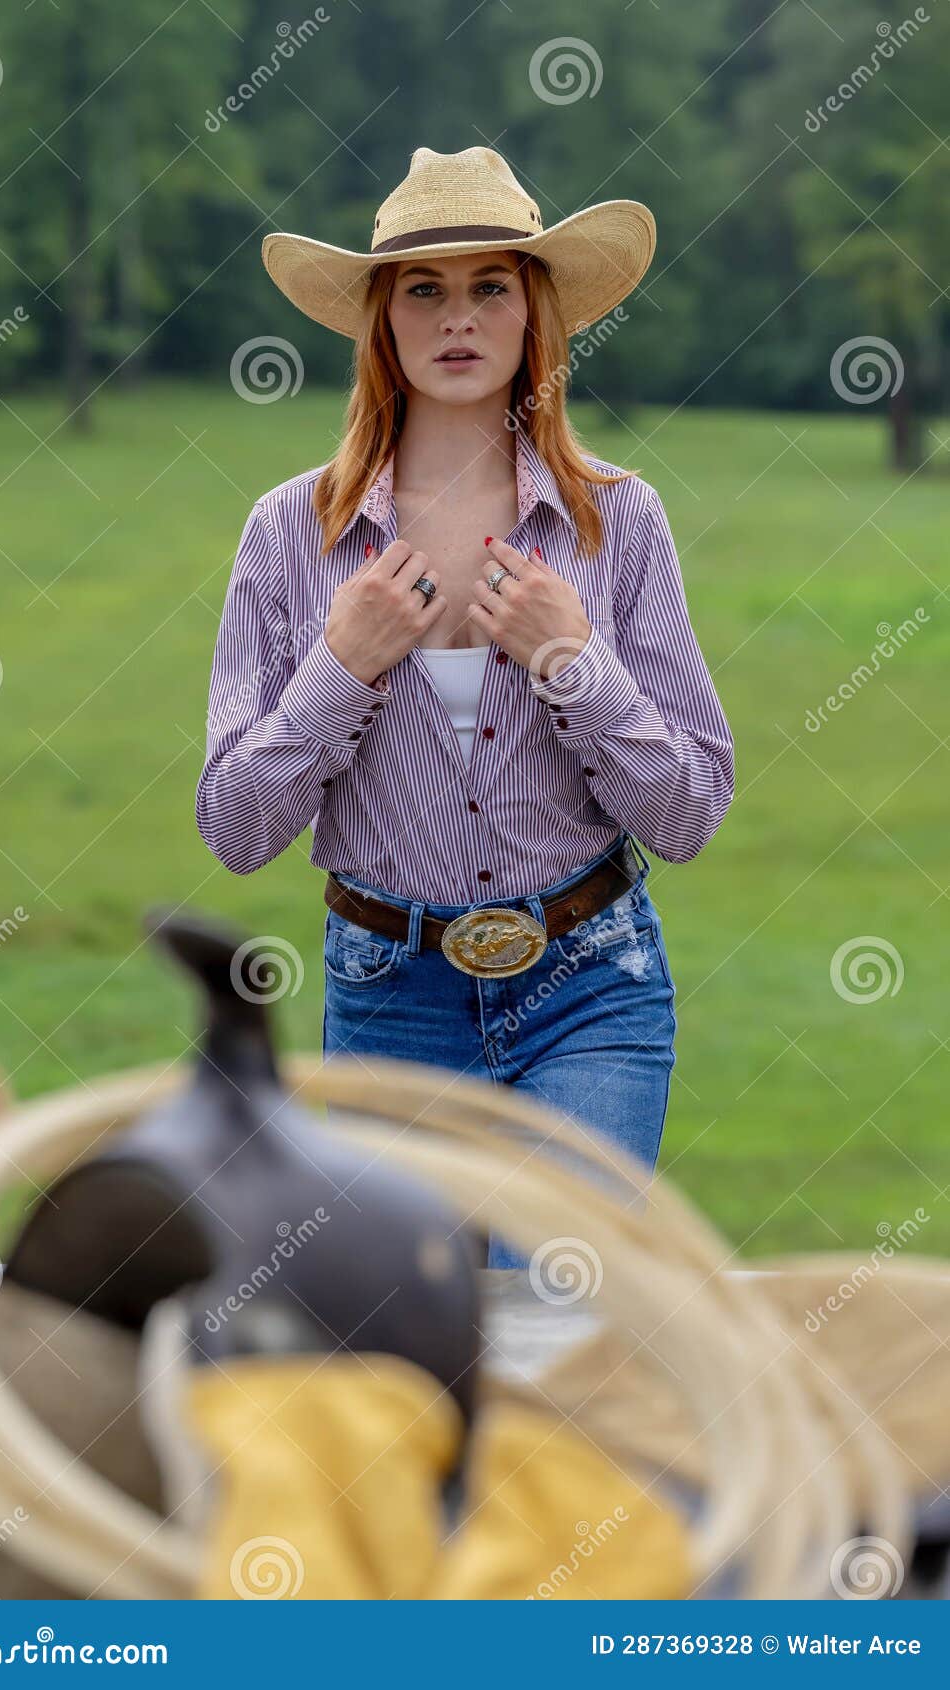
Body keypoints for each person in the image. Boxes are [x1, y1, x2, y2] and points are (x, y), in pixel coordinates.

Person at [196, 145, 734, 1268]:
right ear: (380, 322)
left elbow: (687, 814)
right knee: (417, 1345)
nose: (459, 317)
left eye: (491, 285)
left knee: (551, 1316)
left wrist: (574, 663)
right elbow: (237, 829)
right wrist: (339, 665)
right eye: (424, 290)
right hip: (388, 1003)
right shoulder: (289, 533)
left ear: (534, 312)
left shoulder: (616, 523)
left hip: (592, 989)